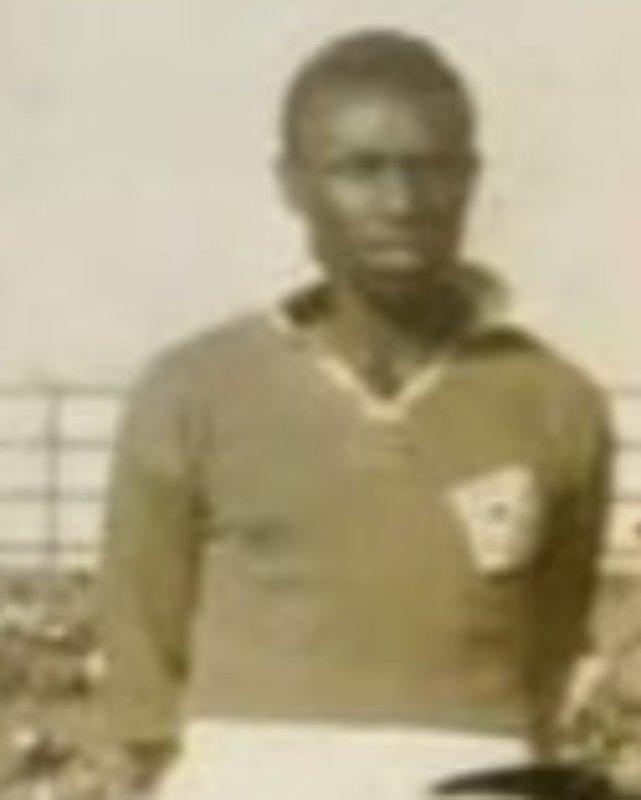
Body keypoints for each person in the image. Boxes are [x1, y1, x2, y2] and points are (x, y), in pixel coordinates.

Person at [99, 28, 613, 800]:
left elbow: (551, 638)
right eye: (359, 171)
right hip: (248, 774)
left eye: (429, 169)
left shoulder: (553, 400)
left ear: (470, 178)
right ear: (292, 184)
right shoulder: (192, 389)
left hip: (473, 771)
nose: (400, 204)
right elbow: (143, 654)